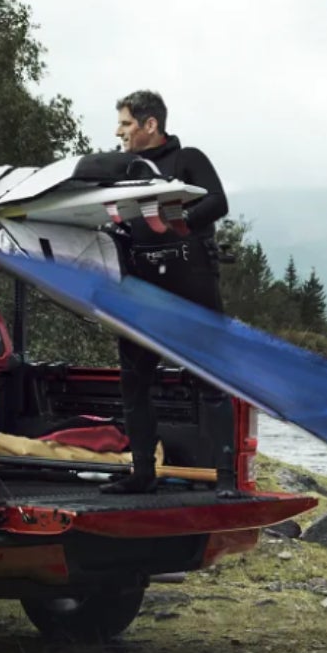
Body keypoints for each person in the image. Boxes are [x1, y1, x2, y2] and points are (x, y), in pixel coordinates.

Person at [101, 89, 230, 495]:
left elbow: (218, 202)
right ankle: (142, 473)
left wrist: (179, 223)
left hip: (190, 281)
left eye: (125, 123)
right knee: (134, 381)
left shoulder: (187, 159)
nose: (119, 131)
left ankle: (226, 479)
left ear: (149, 124)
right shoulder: (122, 169)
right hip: (141, 285)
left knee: (209, 378)